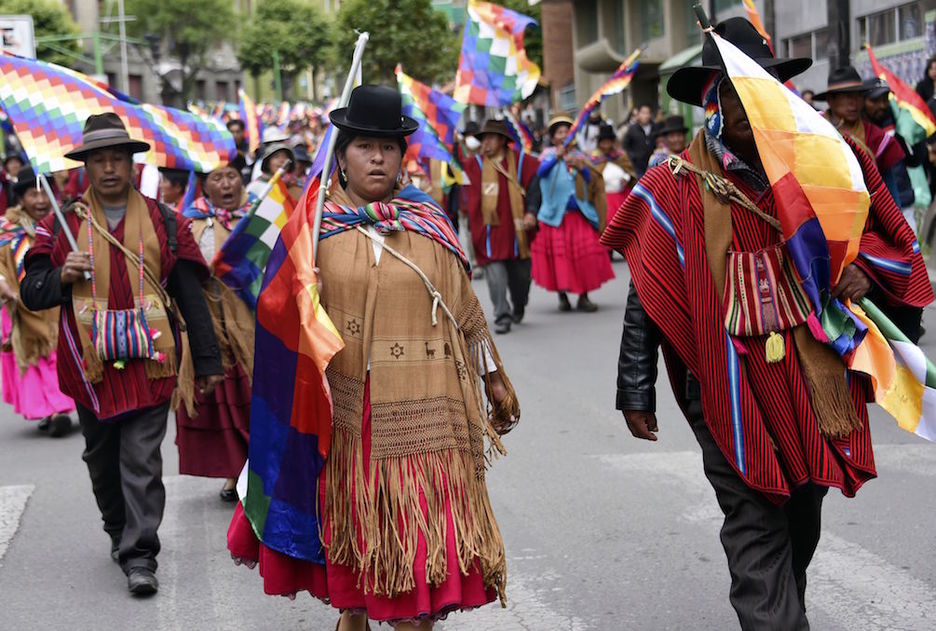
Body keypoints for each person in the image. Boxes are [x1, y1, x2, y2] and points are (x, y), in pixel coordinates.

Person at [601, 18, 932, 630]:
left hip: (815, 376)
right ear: (713, 98)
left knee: (802, 511)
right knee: (754, 520)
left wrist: (865, 271)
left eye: (758, 85)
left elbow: (897, 245)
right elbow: (647, 287)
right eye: (733, 88)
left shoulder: (831, 160)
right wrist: (635, 386)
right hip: (723, 383)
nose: (748, 100)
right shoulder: (674, 183)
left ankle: (785, 606)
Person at [227, 84, 520, 631]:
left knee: (427, 565)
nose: (378, 156)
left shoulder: (427, 222)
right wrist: (298, 292)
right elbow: (277, 317)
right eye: (365, 145)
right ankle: (354, 616)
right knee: (365, 552)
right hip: (353, 419)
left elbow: (464, 307)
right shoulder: (313, 231)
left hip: (435, 414)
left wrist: (494, 378)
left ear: (403, 155)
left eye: (388, 145)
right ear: (341, 156)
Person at [20, 113, 224, 596]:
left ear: (133, 165)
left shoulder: (165, 221)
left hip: (153, 361)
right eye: (99, 159)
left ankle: (140, 554)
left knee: (141, 458)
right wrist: (61, 276)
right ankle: (118, 529)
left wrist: (209, 361)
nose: (109, 167)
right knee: (101, 458)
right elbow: (33, 292)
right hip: (89, 369)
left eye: (118, 158)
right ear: (85, 167)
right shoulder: (61, 224)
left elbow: (189, 293)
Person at [177, 155, 255, 502]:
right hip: (210, 326)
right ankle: (233, 472)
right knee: (222, 398)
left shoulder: (259, 219)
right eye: (217, 178)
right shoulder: (189, 222)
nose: (226, 184)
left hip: (254, 324)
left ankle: (260, 470)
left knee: (257, 399)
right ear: (204, 184)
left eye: (232, 176)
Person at [0, 167, 75, 437]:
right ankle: (52, 410)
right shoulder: (7, 230)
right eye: (34, 194)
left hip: (56, 302)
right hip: (20, 305)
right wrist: (4, 286)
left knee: (57, 355)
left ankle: (57, 408)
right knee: (35, 360)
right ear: (21, 198)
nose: (41, 201)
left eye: (45, 193)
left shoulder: (63, 223)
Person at [462, 118, 540, 334]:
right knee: (495, 276)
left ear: (503, 140)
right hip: (489, 233)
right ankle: (501, 315)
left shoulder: (523, 162)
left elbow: (534, 188)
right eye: (483, 139)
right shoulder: (474, 165)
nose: (485, 143)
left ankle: (519, 304)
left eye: (490, 138)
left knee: (521, 279)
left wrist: (532, 212)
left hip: (518, 233)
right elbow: (451, 164)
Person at [532, 113, 614, 313]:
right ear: (553, 138)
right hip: (555, 218)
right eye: (559, 132)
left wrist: (582, 168)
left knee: (583, 259)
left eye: (567, 131)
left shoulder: (581, 157)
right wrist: (556, 158)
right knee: (560, 259)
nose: (564, 134)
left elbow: (592, 181)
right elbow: (540, 173)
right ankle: (562, 296)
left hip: (579, 215)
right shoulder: (547, 156)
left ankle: (584, 296)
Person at [816, 66, 907, 210]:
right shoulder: (813, 129)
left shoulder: (876, 138)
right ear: (830, 100)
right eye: (847, 96)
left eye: (858, 96)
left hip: (866, 216)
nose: (854, 102)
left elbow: (890, 193)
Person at [863, 76, 928, 234]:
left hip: (903, 201)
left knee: (911, 254)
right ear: (862, 101)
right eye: (875, 100)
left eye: (885, 99)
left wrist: (912, 135)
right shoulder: (859, 131)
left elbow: (914, 161)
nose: (882, 105)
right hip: (873, 211)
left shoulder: (898, 120)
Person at [589, 123, 636, 224]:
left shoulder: (621, 156)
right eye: (604, 143)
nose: (606, 146)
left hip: (623, 198)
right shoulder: (594, 159)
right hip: (604, 200)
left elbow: (630, 171)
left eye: (608, 142)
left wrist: (626, 178)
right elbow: (591, 180)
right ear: (599, 143)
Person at [621, 103, 656, 176]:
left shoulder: (655, 128)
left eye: (647, 113)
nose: (645, 116)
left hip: (653, 165)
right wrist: (632, 157)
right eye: (643, 113)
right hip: (637, 166)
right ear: (638, 114)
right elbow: (625, 145)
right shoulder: (632, 129)